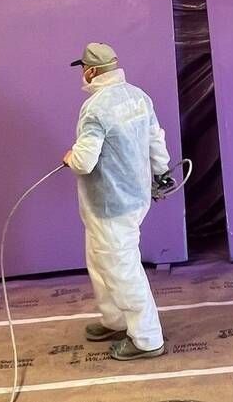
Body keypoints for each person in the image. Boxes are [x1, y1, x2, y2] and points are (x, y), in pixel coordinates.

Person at [62, 42, 170, 360]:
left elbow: (84, 161)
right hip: (134, 197)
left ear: (92, 71)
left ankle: (147, 338)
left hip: (110, 204)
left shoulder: (95, 107)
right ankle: (115, 320)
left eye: (83, 68)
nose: (82, 73)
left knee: (121, 269)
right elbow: (155, 139)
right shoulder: (138, 96)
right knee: (101, 262)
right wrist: (161, 172)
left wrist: (70, 156)